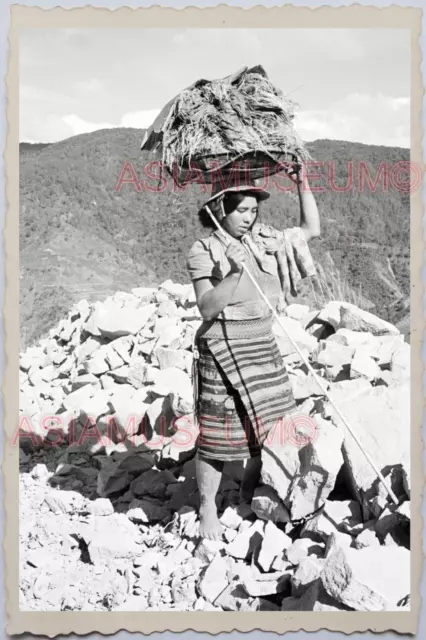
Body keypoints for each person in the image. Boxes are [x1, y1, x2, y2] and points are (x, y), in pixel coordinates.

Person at [186, 163, 320, 540]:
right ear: (220, 209)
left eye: (254, 210)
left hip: (262, 342)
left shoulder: (264, 240)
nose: (249, 217)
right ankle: (207, 508)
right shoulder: (205, 249)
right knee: (218, 435)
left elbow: (310, 229)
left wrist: (302, 182)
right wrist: (232, 273)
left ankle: (249, 489)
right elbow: (206, 308)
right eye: (241, 210)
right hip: (223, 347)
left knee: (268, 423)